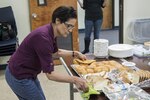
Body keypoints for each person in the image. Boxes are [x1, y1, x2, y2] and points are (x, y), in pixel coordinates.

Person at [5, 6, 89, 100]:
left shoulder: (50, 31)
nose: (70, 30)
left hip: (27, 72)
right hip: (18, 75)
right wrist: (75, 79)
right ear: (58, 20)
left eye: (72, 27)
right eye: (68, 26)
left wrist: (75, 53)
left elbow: (55, 53)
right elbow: (51, 75)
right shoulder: (43, 37)